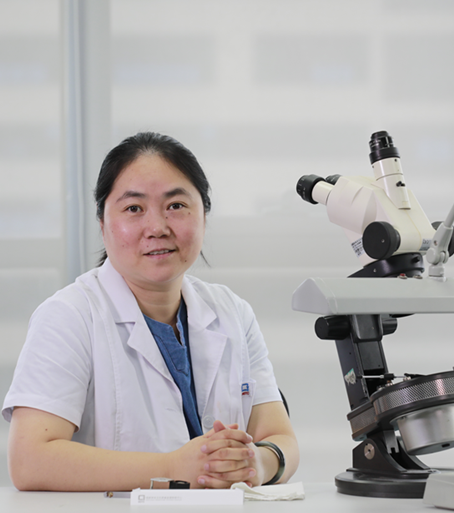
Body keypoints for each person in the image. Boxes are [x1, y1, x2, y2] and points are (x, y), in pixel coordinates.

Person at [2, 132, 299, 491]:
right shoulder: (69, 316)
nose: (157, 228)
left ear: (204, 215)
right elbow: (30, 460)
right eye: (134, 209)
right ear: (102, 224)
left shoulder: (231, 312)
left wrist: (257, 464)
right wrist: (172, 468)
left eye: (176, 205)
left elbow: (280, 437)